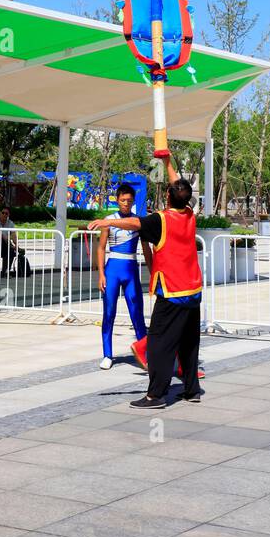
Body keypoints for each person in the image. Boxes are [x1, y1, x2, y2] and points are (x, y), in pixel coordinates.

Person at [89, 160, 202, 409]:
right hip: (193, 291)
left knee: (159, 343)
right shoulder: (189, 214)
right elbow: (180, 188)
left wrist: (107, 222)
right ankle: (192, 390)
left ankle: (155, 395)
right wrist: (167, 160)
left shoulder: (162, 219)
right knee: (189, 343)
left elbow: (134, 223)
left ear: (168, 197)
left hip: (172, 291)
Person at [96, 183, 150, 371]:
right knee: (108, 312)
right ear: (117, 200)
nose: (126, 204)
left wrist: (153, 273)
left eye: (129, 201)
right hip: (113, 270)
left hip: (131, 269)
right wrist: (101, 274)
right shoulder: (109, 220)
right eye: (122, 200)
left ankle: (144, 354)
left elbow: (146, 249)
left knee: (137, 313)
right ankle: (107, 354)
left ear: (133, 201)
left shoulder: (138, 221)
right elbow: (101, 248)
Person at [0, 205, 18, 277]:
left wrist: (16, 244)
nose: (4, 214)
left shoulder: (10, 223)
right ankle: (2, 272)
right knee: (0, 238)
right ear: (0, 213)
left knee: (12, 252)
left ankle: (4, 271)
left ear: (8, 215)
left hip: (6, 246)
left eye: (6, 213)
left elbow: (14, 235)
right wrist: (7, 238)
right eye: (3, 213)